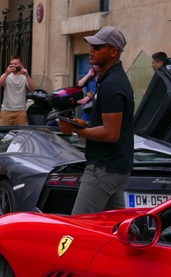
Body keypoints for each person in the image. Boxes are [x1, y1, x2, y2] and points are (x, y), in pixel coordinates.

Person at [58, 26, 135, 214]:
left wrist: (76, 131)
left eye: (97, 47)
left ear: (113, 52)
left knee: (79, 227)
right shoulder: (109, 79)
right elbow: (108, 124)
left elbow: (111, 133)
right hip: (114, 167)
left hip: (104, 168)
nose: (91, 49)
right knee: (114, 230)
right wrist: (82, 123)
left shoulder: (112, 84)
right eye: (91, 46)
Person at [0, 54, 36, 125]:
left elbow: (33, 89)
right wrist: (6, 73)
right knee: (4, 134)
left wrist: (27, 75)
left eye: (15, 64)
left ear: (21, 65)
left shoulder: (24, 77)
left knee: (20, 133)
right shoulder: (6, 76)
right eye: (11, 64)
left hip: (20, 111)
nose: (13, 66)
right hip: (6, 111)